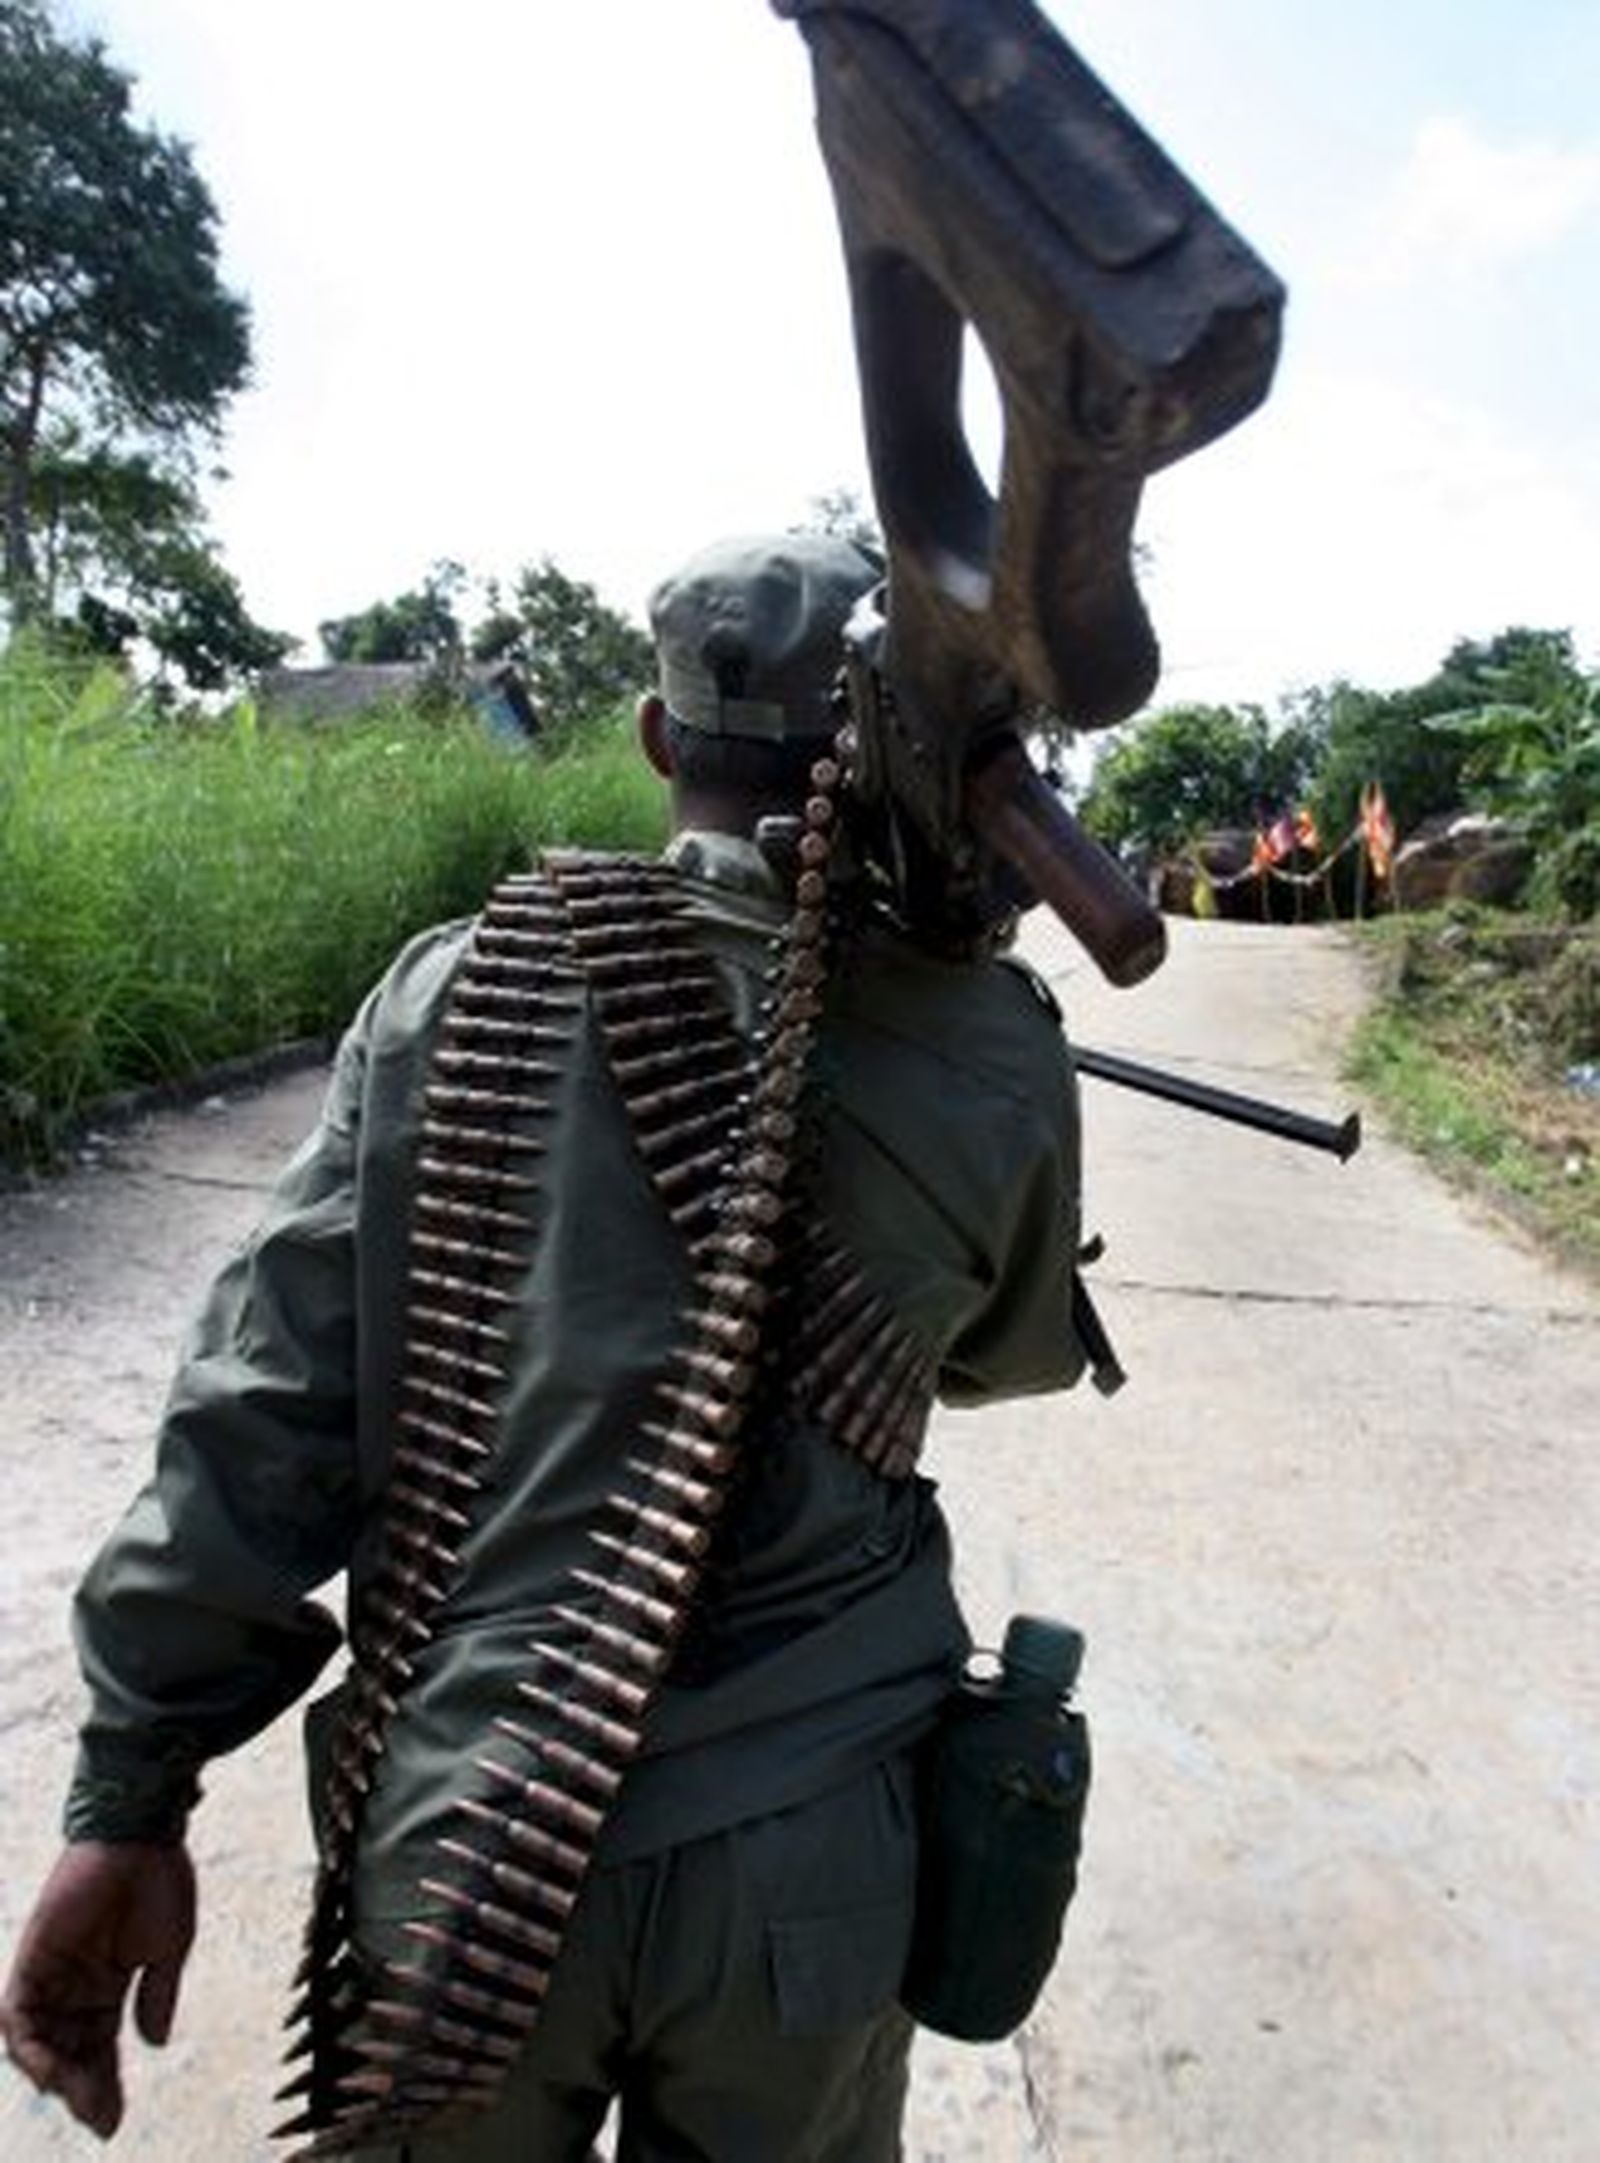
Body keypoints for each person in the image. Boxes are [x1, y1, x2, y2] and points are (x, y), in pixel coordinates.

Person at [1, 531, 1087, 2161]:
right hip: (811, 1862)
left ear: (659, 743)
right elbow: (1004, 1362)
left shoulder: (459, 988)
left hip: (471, 1838)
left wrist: (128, 1795)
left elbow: (263, 1412)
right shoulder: (991, 1044)